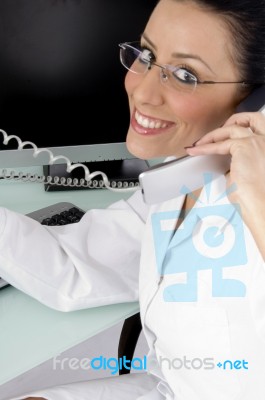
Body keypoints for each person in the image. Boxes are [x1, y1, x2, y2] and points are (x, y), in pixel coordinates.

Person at [1, 0, 265, 398]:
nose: (141, 89)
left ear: (255, 100)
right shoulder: (184, 177)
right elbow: (77, 268)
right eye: (147, 54)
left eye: (184, 74)